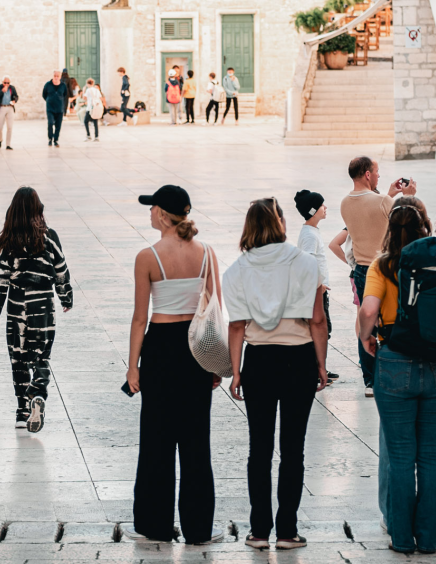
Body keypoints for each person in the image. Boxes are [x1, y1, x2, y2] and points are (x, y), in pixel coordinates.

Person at [358, 197, 436, 554]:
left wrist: (366, 336)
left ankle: (401, 537)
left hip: (396, 360)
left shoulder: (383, 265)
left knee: (400, 456)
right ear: (423, 229)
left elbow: (369, 309)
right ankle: (429, 538)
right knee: (431, 454)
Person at [226, 198, 328, 550]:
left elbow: (236, 325)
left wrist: (236, 372)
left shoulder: (238, 269)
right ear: (281, 222)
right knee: (293, 449)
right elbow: (317, 319)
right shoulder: (305, 262)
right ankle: (287, 530)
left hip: (259, 361)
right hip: (298, 358)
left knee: (259, 448)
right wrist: (320, 363)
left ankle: (258, 531)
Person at [126, 185, 223, 545]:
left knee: (157, 440)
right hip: (196, 349)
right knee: (197, 441)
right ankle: (198, 527)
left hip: (161, 348)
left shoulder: (147, 256)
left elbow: (140, 318)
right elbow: (215, 309)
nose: (149, 213)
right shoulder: (207, 253)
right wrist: (216, 361)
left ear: (164, 215)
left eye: (152, 208)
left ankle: (155, 523)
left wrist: (133, 366)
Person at [0, 187, 73, 432]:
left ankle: (22, 411)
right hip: (43, 305)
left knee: (19, 359)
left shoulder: (7, 240)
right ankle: (38, 395)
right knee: (41, 356)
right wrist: (66, 297)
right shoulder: (49, 237)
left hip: (16, 306)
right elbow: (61, 270)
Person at [339, 156, 417, 396]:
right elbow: (407, 220)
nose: (380, 175)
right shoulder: (383, 200)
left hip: (362, 270)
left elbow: (371, 216)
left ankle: (370, 381)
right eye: (377, 171)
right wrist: (408, 196)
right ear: (367, 174)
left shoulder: (344, 203)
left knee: (367, 322)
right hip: (387, 267)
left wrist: (390, 196)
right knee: (396, 318)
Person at [294, 190, 338, 381]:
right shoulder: (310, 236)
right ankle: (316, 370)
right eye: (322, 205)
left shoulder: (311, 232)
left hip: (317, 290)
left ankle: (320, 368)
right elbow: (308, 262)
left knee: (322, 330)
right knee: (321, 330)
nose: (325, 207)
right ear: (313, 210)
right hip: (315, 292)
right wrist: (318, 286)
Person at [0, 76, 18, 151]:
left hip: (10, 107)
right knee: (0, 126)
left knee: (10, 127)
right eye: (5, 82)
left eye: (8, 83)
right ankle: (0, 140)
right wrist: (2, 91)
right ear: (2, 82)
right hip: (2, 107)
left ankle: (8, 144)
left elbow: (16, 96)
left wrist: (14, 101)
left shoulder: (12, 88)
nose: (6, 84)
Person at [43, 70, 67, 147]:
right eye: (55, 76)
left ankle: (56, 140)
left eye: (58, 76)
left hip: (59, 109)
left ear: (60, 77)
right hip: (50, 108)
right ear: (53, 76)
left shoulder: (63, 85)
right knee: (50, 123)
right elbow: (44, 94)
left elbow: (65, 95)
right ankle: (50, 138)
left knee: (58, 125)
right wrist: (49, 100)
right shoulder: (48, 84)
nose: (56, 77)